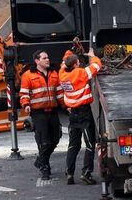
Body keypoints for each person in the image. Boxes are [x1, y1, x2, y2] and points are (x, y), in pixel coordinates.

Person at [59, 47, 102, 185]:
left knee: (73, 145)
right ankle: (86, 173)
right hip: (84, 112)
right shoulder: (80, 73)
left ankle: (69, 173)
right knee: (90, 144)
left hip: (72, 113)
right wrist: (92, 55)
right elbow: (96, 66)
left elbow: (64, 63)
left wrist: (71, 53)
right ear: (76, 64)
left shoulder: (62, 74)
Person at [19, 50, 61, 180]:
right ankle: (44, 168)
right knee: (44, 142)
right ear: (37, 61)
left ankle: (40, 161)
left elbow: (59, 93)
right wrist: (26, 104)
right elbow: (24, 93)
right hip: (38, 113)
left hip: (52, 111)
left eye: (48, 57)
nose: (48, 60)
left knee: (56, 138)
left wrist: (67, 106)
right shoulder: (28, 75)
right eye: (44, 58)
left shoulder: (54, 73)